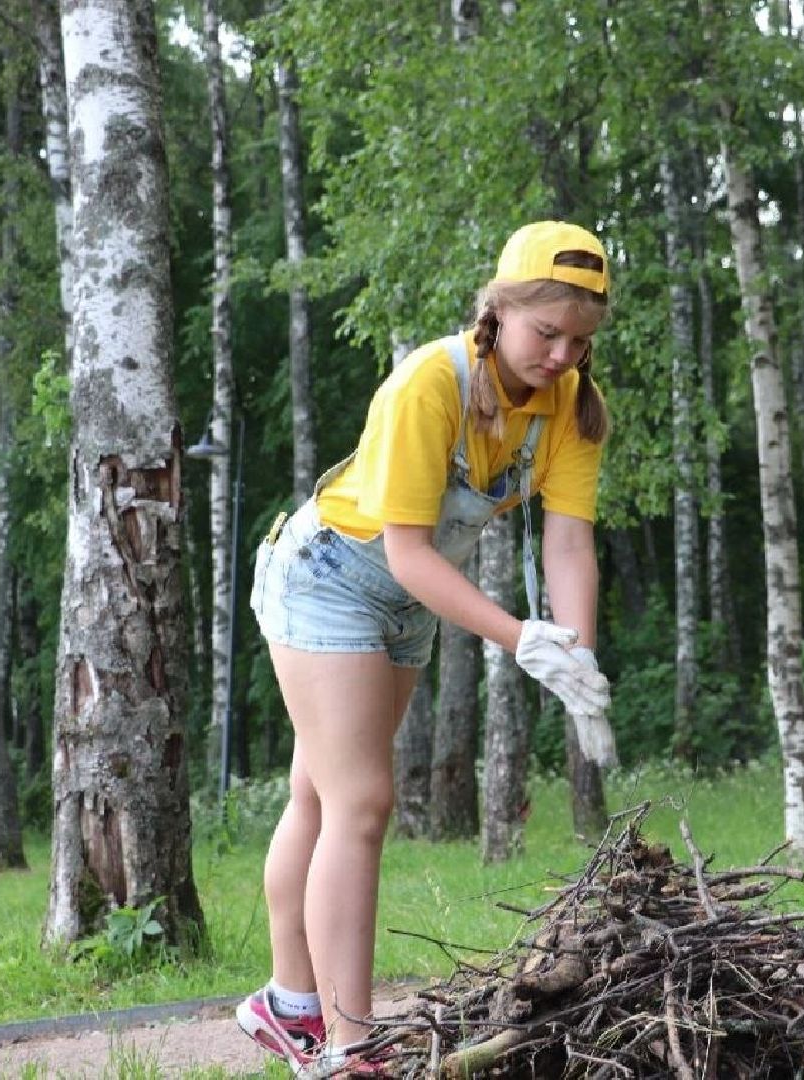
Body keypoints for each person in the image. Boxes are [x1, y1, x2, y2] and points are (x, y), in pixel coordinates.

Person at [236, 221, 618, 1077]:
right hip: (328, 576)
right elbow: (407, 550)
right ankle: (348, 1047)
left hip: (405, 602)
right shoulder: (428, 384)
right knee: (363, 803)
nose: (561, 355)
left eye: (579, 341)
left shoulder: (572, 411)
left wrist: (576, 656)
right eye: (544, 333)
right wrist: (522, 638)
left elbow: (567, 545)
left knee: (319, 792)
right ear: (497, 311)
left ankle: (287, 1006)